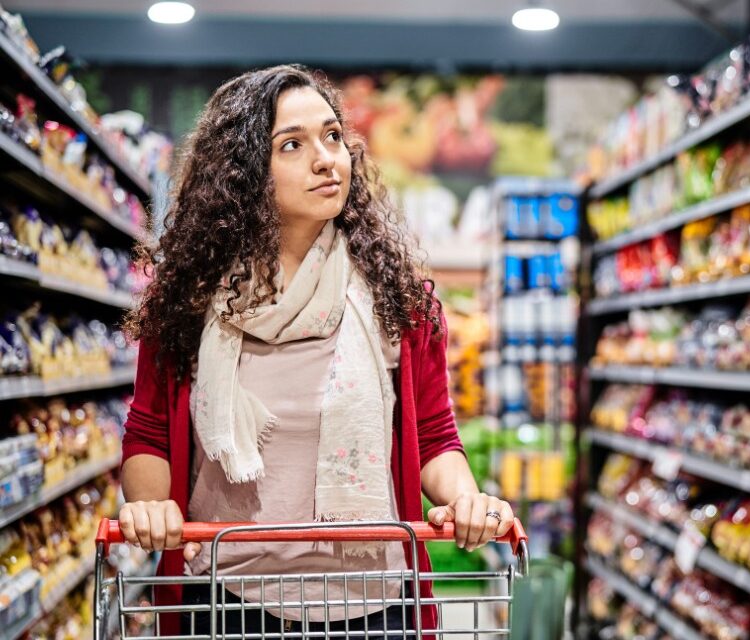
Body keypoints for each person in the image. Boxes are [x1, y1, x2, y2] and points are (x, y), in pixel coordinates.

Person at [119, 64, 514, 637]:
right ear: (246, 172)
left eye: (333, 137)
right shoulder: (188, 304)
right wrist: (151, 506)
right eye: (292, 145)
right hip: (226, 602)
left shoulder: (397, 301)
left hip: (374, 604)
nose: (327, 158)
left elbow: (433, 436)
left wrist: (469, 499)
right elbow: (151, 432)